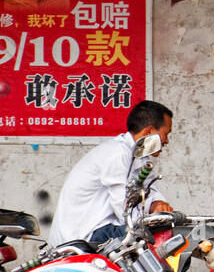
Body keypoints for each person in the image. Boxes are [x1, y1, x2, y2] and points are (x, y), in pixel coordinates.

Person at [49, 100, 175, 247]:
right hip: (85, 235)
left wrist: (156, 203)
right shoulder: (118, 155)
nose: (166, 141)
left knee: (167, 236)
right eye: (166, 134)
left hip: (103, 228)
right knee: (158, 240)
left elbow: (151, 189)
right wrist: (153, 212)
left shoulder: (137, 156)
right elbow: (124, 212)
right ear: (149, 132)